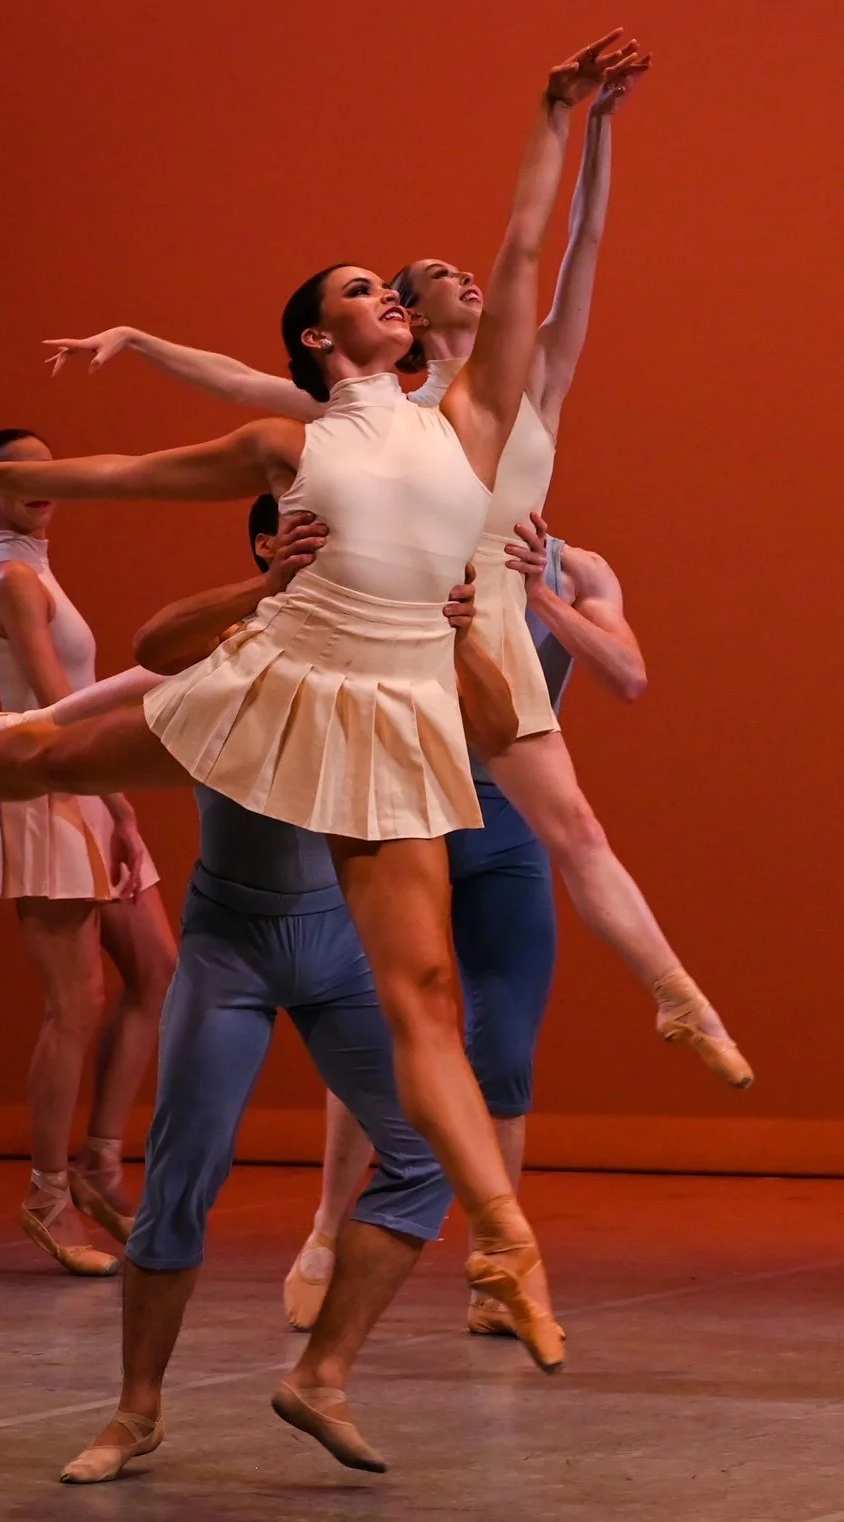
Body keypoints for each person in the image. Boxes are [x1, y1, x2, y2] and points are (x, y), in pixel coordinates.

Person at [0, 31, 653, 1374]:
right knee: (56, 755)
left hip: (393, 716)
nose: (393, 296)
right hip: (290, 674)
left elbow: (528, 255)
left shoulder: (469, 418)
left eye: (391, 286)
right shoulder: (286, 442)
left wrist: (558, 114)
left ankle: (504, 1244)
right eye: (368, 291)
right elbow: (134, 469)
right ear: (323, 337)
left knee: (423, 996)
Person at [39, 48, 753, 1094]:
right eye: (427, 280)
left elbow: (577, 243)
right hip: (395, 616)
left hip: (484, 625)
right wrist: (141, 339)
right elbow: (245, 377)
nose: (461, 277)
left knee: (577, 828)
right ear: (408, 321)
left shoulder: (529, 381)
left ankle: (679, 996)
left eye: (458, 272)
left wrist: (601, 126)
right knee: (212, 684)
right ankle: (32, 729)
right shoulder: (388, 412)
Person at [61, 511, 514, 1483]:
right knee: (184, 1175)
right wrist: (264, 587)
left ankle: (324, 1376)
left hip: (337, 942)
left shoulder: (391, 649)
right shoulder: (239, 644)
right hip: (230, 944)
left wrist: (460, 635)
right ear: (277, 544)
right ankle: (135, 1411)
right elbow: (147, 653)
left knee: (428, 1147)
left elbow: (499, 729)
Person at [286, 507, 650, 1336]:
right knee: (383, 1028)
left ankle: (499, 1269)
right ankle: (325, 1232)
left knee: (504, 1049)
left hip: (507, 817)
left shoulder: (578, 565)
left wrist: (541, 601)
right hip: (409, 802)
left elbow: (629, 676)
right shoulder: (409, 537)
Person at [0, 427, 178, 1275]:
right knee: (75, 1001)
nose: (40, 482)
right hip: (46, 784)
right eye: (18, 472)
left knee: (157, 970)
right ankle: (47, 1193)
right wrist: (119, 798)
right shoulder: (12, 578)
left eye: (49, 469)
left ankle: (98, 1164)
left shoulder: (39, 568)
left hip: (86, 780)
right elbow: (58, 701)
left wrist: (113, 797)